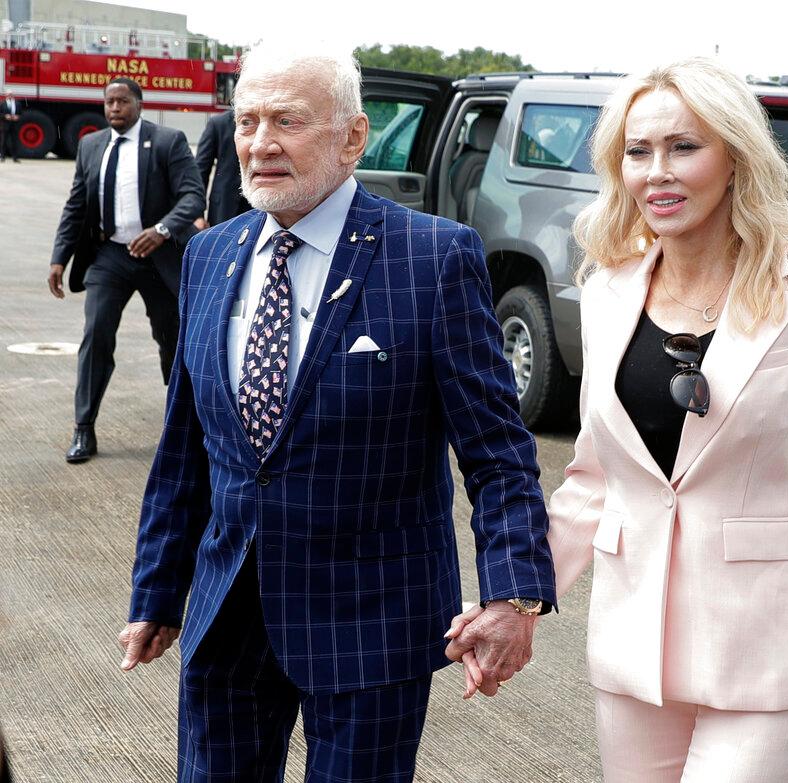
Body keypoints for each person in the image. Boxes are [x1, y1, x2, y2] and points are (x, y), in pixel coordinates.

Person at [448, 59, 788, 782]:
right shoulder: (608, 291)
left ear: (734, 158)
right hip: (635, 642)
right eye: (639, 152)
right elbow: (594, 479)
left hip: (763, 642)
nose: (656, 172)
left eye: (683, 148)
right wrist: (520, 597)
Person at [117, 38, 555, 783]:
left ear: (354, 137)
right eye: (247, 120)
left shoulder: (434, 258)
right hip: (227, 614)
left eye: (286, 121)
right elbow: (184, 447)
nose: (260, 144)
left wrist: (515, 593)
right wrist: (157, 590)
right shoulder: (209, 255)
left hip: (370, 621)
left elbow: (498, 452)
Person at [47, 77, 204, 463]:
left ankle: (183, 426)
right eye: (108, 102)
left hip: (159, 258)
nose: (114, 108)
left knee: (173, 340)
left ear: (139, 104)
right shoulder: (90, 146)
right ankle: (84, 427)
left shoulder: (168, 142)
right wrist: (59, 258)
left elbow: (192, 195)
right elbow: (76, 206)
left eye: (122, 101)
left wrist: (162, 230)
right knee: (96, 334)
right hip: (110, 257)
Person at [193, 109, 251, 228]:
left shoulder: (266, 123)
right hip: (223, 207)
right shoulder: (218, 123)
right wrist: (197, 214)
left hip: (259, 206)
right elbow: (200, 172)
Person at [0, 90, 21, 163]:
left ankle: (15, 158)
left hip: (14, 125)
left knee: (14, 142)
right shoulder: (2, 103)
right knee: (3, 142)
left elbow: (21, 113)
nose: (10, 96)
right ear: (6, 95)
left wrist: (17, 117)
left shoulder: (17, 103)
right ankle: (2, 157)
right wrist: (5, 116)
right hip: (5, 125)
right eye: (9, 94)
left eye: (11, 94)